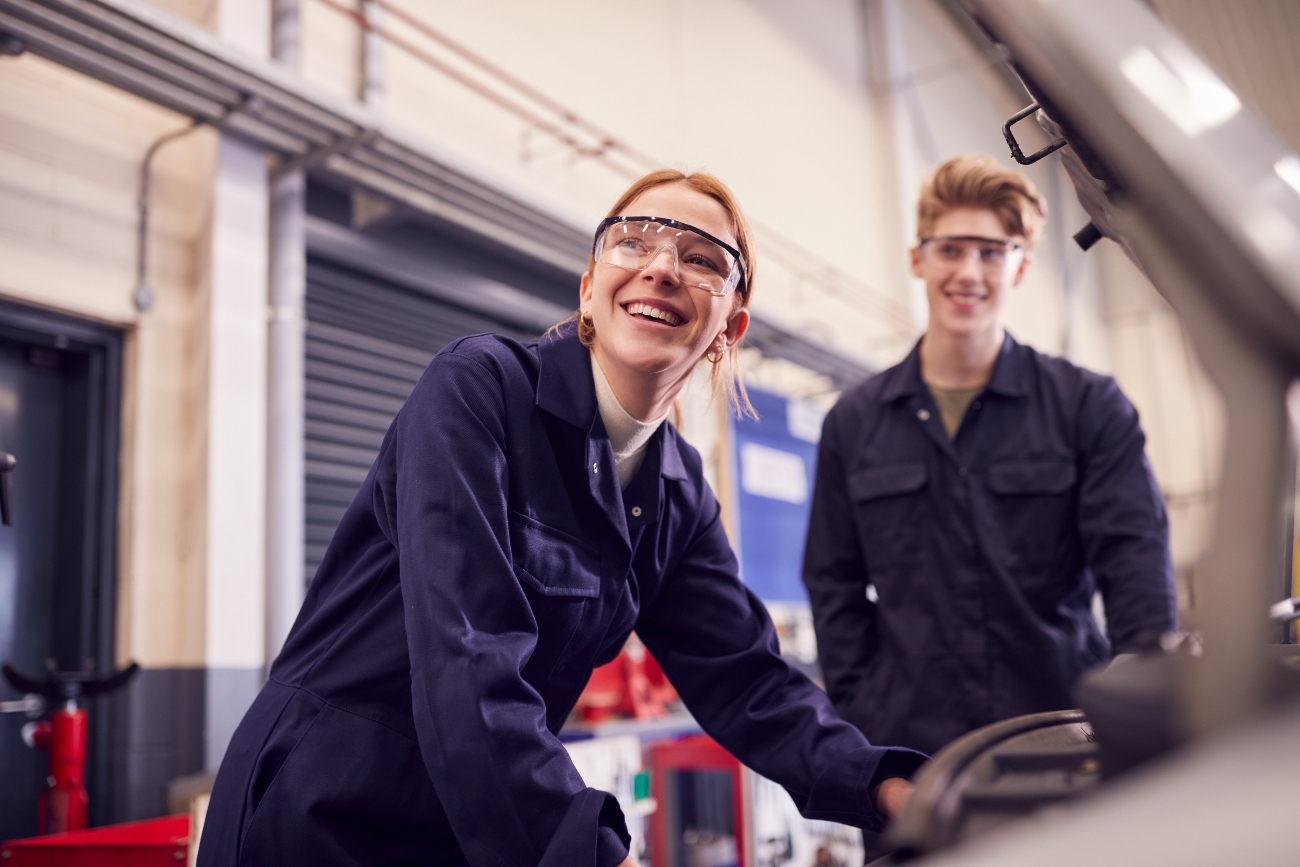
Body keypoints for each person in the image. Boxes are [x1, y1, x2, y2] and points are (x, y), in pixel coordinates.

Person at [199, 169, 927, 867]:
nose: (662, 267)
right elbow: (467, 656)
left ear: (728, 328)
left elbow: (750, 683)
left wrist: (892, 787)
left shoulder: (677, 492)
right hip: (322, 809)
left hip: (469, 828)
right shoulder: (479, 389)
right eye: (634, 241)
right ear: (588, 290)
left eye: (703, 258)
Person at [802, 154, 1178, 758]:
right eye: (950, 250)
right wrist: (862, 706)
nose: (969, 272)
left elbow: (1136, 566)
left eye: (991, 252)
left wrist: (1138, 704)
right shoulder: (855, 422)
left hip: (1068, 740)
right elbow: (832, 583)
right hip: (912, 756)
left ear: (1021, 266)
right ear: (917, 259)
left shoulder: (1087, 407)